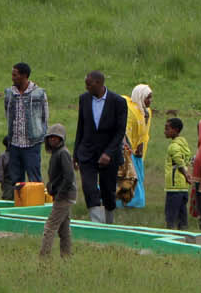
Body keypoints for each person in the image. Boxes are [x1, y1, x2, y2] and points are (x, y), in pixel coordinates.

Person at [73, 70, 126, 224]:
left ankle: (109, 224)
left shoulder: (118, 102)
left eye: (89, 84)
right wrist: (76, 153)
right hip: (87, 152)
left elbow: (120, 131)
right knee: (89, 188)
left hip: (109, 153)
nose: (86, 87)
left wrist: (108, 153)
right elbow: (81, 127)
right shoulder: (84, 99)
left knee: (107, 190)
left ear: (99, 83)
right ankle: (97, 224)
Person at [2, 62, 48, 188]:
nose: (12, 77)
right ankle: (19, 205)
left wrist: (41, 136)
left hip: (31, 144)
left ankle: (36, 205)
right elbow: (7, 114)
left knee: (34, 178)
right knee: (16, 180)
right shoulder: (10, 93)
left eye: (15, 75)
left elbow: (45, 117)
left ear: (24, 76)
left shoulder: (38, 93)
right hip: (15, 143)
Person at [40, 123, 75, 260]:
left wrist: (59, 193)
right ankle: (66, 257)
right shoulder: (57, 153)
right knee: (64, 229)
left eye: (56, 138)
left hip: (64, 196)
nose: (53, 140)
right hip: (62, 195)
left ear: (62, 139)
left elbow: (69, 177)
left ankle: (43, 257)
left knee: (50, 227)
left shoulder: (63, 153)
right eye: (51, 137)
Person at [117, 84, 152, 211]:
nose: (150, 101)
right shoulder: (131, 111)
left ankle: (134, 202)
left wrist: (141, 147)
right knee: (128, 176)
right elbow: (124, 130)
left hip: (138, 151)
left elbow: (144, 132)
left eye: (150, 98)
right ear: (140, 97)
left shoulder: (147, 112)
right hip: (128, 149)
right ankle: (125, 202)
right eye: (147, 98)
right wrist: (128, 148)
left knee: (137, 177)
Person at [162, 116, 191, 230]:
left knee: (171, 216)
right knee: (182, 215)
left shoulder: (173, 146)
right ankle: (183, 235)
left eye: (167, 129)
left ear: (175, 130)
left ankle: (170, 235)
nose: (165, 131)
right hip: (183, 187)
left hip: (174, 187)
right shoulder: (184, 145)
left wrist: (186, 175)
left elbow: (179, 162)